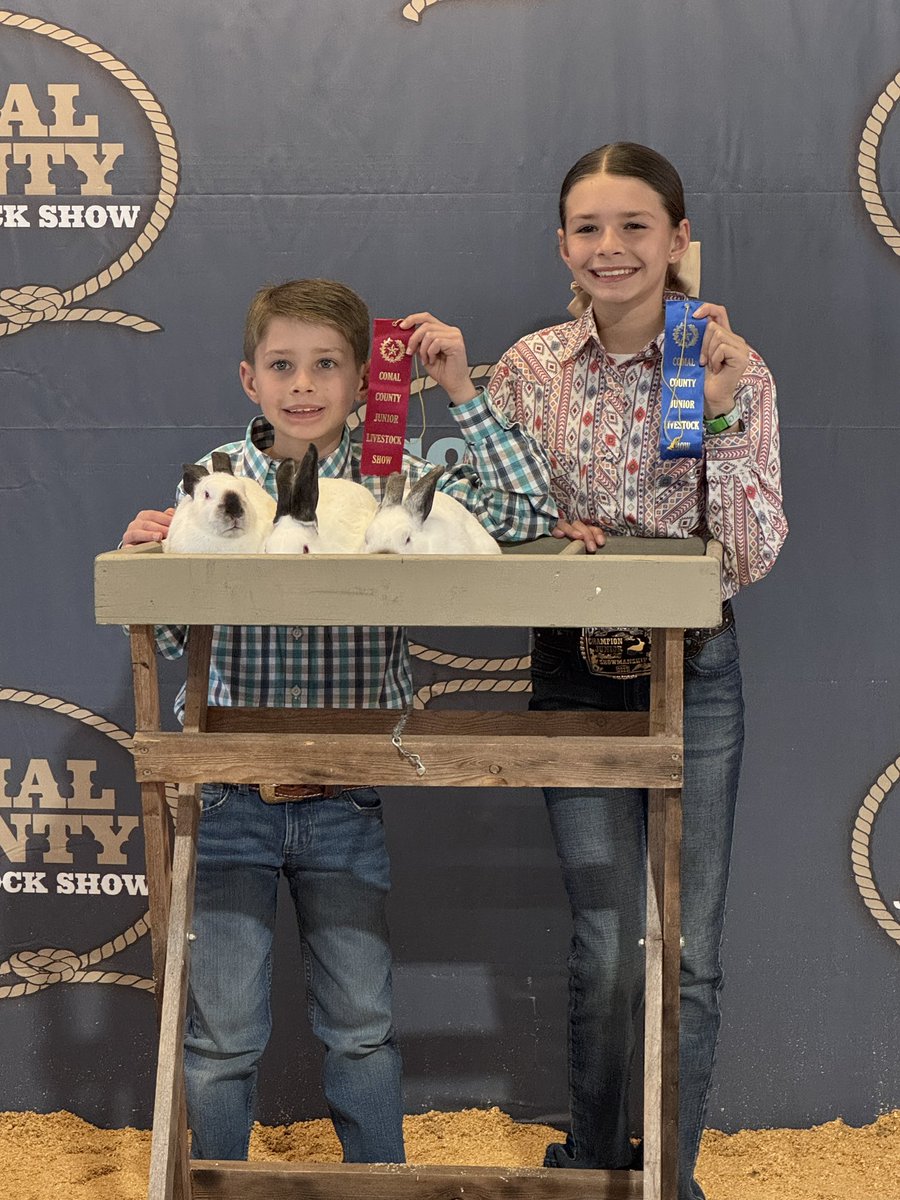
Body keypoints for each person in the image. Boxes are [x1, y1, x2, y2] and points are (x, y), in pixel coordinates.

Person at [121, 278, 559, 1163]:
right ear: (250, 379)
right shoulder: (217, 477)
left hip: (347, 792)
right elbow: (172, 633)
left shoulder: (391, 470)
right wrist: (154, 557)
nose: (304, 385)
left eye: (328, 365)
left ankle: (377, 1184)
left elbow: (525, 515)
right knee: (222, 1035)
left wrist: (463, 390)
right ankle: (215, 1183)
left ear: (366, 380)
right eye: (282, 365)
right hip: (230, 792)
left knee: (362, 1025)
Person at [485, 144, 788, 1200]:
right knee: (611, 945)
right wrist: (535, 529)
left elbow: (746, 556)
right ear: (562, 244)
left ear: (678, 241)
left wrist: (714, 406)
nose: (610, 249)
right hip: (573, 674)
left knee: (687, 953)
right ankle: (592, 1168)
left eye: (634, 227)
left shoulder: (733, 368)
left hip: (694, 676)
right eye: (588, 228)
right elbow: (482, 515)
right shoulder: (527, 370)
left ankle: (667, 1176)